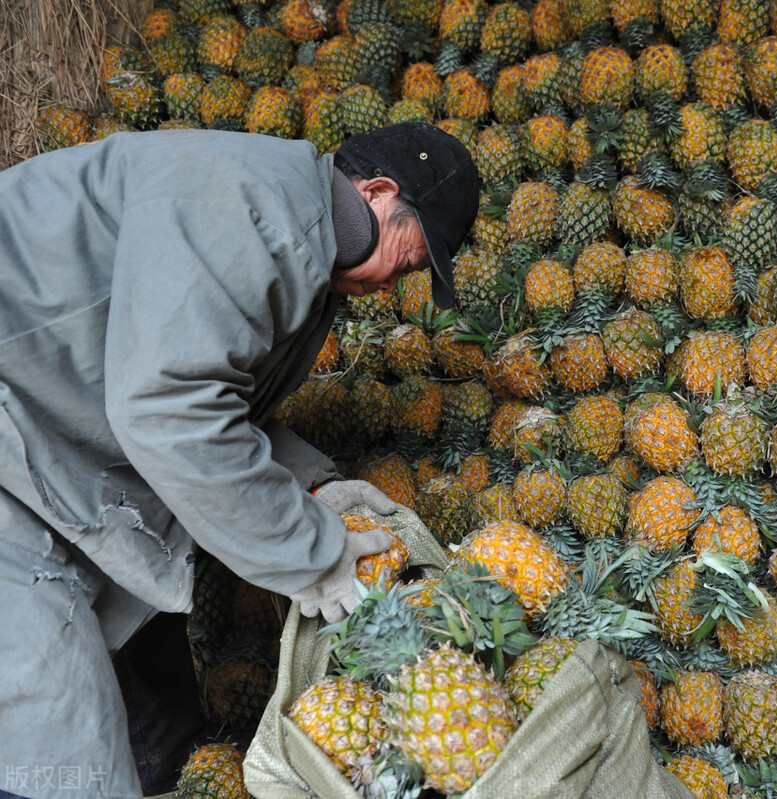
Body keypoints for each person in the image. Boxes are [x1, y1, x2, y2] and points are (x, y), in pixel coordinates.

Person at [0, 122, 479, 799]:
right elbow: (170, 412)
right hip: (15, 439)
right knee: (55, 730)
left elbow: (210, 395)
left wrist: (312, 482)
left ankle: (162, 773)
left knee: (142, 633)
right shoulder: (252, 212)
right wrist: (312, 553)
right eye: (412, 256)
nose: (404, 278)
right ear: (376, 192)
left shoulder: (299, 235)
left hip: (47, 422)